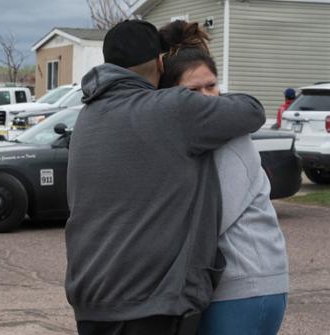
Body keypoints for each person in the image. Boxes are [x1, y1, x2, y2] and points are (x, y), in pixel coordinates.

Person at [65, 20, 265, 335]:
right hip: (150, 305)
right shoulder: (172, 110)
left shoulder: (86, 118)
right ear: (160, 62)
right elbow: (252, 110)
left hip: (91, 301)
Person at [158, 20, 288, 335]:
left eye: (211, 85)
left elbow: (210, 220)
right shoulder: (194, 136)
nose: (207, 97)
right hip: (227, 289)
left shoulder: (228, 136)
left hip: (246, 286)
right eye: (193, 90)